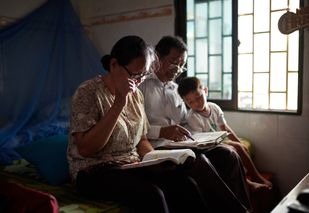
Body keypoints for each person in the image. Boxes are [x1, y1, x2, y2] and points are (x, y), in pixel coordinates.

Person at [67, 35, 209, 213]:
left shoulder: (136, 95)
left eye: (144, 75)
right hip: (94, 171)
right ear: (114, 65)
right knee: (152, 195)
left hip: (130, 164)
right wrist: (119, 103)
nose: (138, 81)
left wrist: (156, 161)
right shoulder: (88, 92)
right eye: (135, 75)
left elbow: (141, 140)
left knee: (184, 183)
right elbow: (86, 149)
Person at [139, 35, 252, 211]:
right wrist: (161, 131)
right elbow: (136, 127)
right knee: (199, 161)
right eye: (174, 62)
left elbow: (185, 122)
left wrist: (203, 138)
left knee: (229, 155)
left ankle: (246, 207)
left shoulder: (176, 90)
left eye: (182, 64)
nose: (178, 69)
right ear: (157, 57)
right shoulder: (142, 86)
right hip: (156, 147)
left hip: (180, 144)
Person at [177, 76, 273, 192]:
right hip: (207, 145)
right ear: (185, 102)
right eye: (190, 102)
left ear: (205, 91)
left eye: (198, 97)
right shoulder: (192, 117)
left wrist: (238, 141)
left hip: (219, 140)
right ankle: (247, 183)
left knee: (241, 147)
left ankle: (256, 176)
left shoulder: (214, 108)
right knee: (235, 148)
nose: (196, 103)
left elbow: (225, 129)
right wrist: (232, 144)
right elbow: (201, 141)